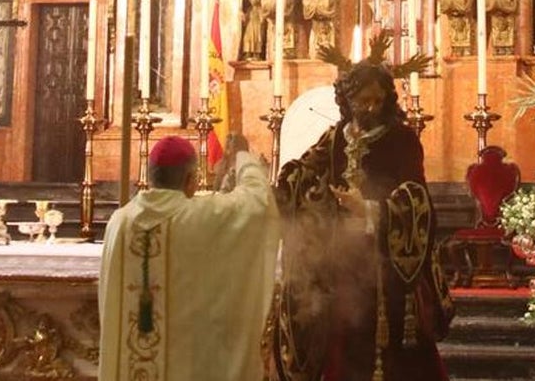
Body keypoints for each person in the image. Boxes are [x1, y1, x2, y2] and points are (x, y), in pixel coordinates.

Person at [268, 59, 453, 381]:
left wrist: (370, 209)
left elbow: (416, 198)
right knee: (342, 336)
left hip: (386, 264)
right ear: (346, 101)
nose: (370, 108)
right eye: (362, 101)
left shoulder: (402, 139)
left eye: (377, 101)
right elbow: (304, 171)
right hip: (343, 260)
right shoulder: (337, 135)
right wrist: (278, 190)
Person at [97, 134, 278, 380]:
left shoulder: (119, 222)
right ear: (191, 180)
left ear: (150, 176)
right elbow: (257, 202)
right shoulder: (199, 216)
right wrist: (243, 157)